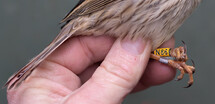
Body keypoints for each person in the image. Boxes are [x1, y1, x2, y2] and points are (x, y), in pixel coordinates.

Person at [7, 35, 176, 104]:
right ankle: (166, 55)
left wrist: (167, 55)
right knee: (136, 45)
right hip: (107, 13)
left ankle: (167, 54)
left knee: (146, 47)